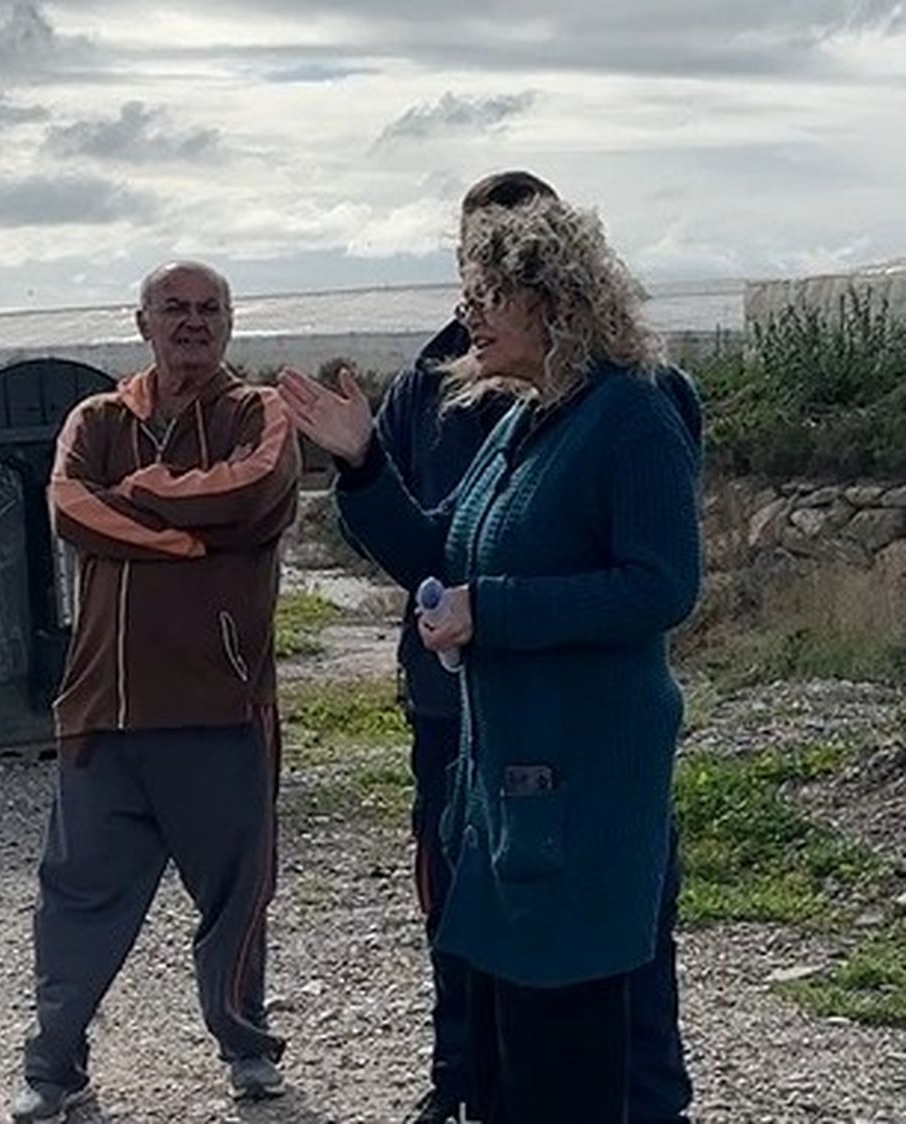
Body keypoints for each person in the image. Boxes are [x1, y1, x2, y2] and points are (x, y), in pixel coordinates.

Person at [280, 194, 702, 1124]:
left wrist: (494, 611)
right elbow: (440, 558)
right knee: (509, 1063)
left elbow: (663, 585)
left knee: (572, 1061)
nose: (467, 310)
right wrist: (361, 466)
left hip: (586, 790)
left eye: (487, 290)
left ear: (553, 300)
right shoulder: (521, 422)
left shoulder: (631, 415)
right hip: (505, 794)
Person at [12, 261, 301, 1123]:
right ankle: (55, 1070)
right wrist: (183, 539)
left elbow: (256, 492)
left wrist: (137, 499)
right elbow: (68, 505)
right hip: (103, 708)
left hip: (222, 706)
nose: (193, 323)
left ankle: (246, 1049)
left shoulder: (259, 413)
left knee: (237, 895)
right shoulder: (98, 419)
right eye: (174, 308)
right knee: (75, 898)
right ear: (140, 322)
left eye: (209, 309)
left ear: (230, 323)